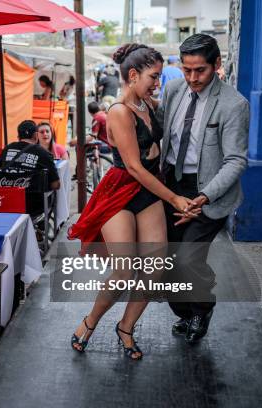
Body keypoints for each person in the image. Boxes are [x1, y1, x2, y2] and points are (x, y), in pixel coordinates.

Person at [67, 44, 197, 359]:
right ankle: (90, 322)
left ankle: (126, 327)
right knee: (124, 270)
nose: (158, 83)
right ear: (134, 74)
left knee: (154, 268)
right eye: (153, 77)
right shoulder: (118, 111)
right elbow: (135, 167)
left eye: (160, 76)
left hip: (150, 191)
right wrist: (175, 198)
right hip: (121, 191)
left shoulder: (149, 105)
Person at [157, 34, 249, 343]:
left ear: (217, 65)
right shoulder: (172, 90)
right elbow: (158, 132)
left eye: (200, 71)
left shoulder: (234, 104)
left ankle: (202, 307)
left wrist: (203, 197)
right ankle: (187, 312)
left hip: (210, 190)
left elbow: (236, 161)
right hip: (171, 186)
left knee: (187, 259)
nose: (192, 78)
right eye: (186, 70)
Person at [0, 120, 60, 191]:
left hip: (9, 198)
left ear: (18, 136)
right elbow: (56, 185)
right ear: (36, 135)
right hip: (32, 200)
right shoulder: (43, 153)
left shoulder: (7, 148)